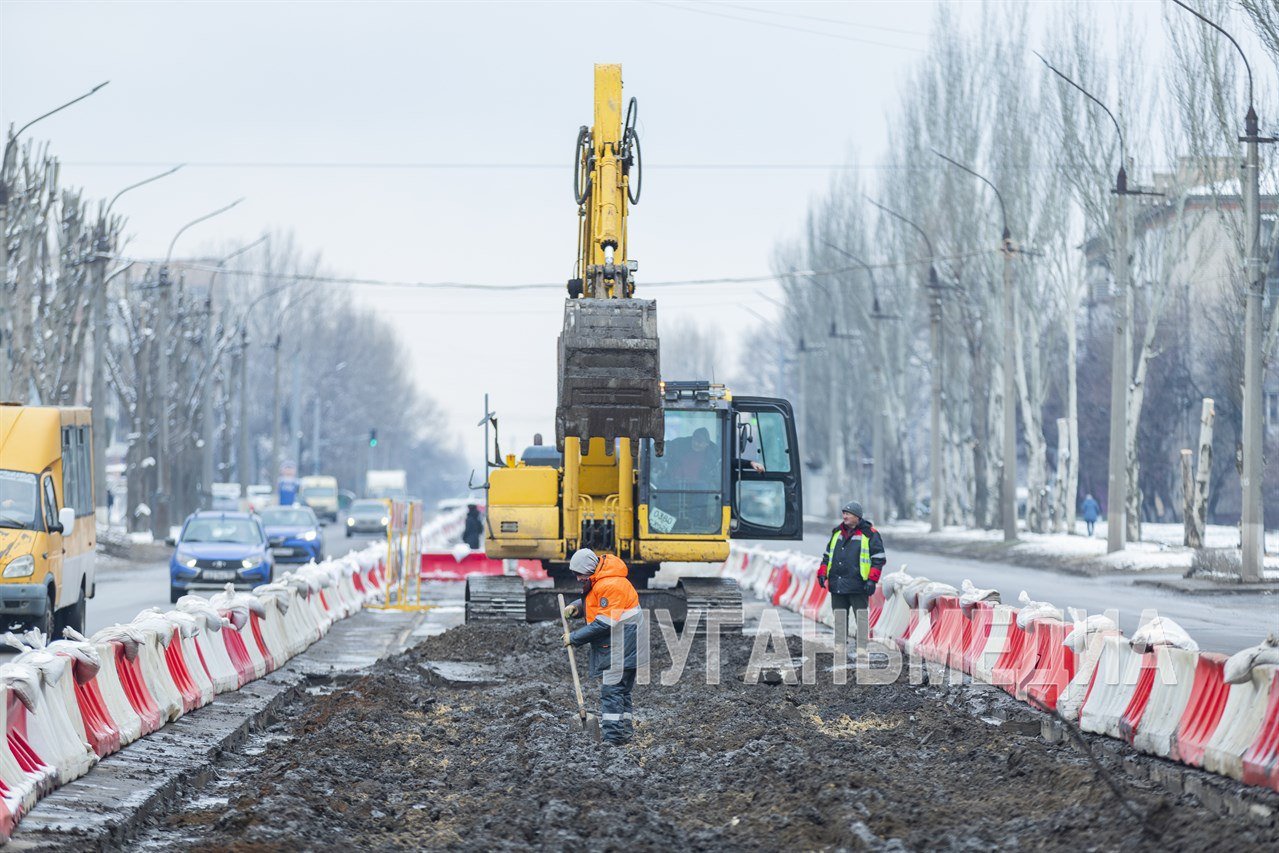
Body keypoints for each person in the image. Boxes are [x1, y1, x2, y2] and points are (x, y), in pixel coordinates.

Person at [561, 548, 645, 745]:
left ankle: (613, 740)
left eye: (579, 574)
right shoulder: (601, 580)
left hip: (623, 646)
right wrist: (577, 608)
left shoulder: (612, 584)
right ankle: (624, 734)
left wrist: (574, 637)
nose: (578, 579)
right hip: (625, 645)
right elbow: (596, 602)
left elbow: (605, 622)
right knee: (621, 692)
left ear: (589, 570)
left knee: (612, 692)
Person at [817, 501, 886, 659]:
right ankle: (840, 648)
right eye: (844, 513)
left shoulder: (870, 534)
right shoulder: (837, 533)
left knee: (861, 618)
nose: (845, 516)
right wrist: (822, 573)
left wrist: (872, 580)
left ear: (857, 516)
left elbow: (879, 559)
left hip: (858, 585)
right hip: (837, 584)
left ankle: (862, 648)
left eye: (848, 513)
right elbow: (827, 556)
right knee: (840, 618)